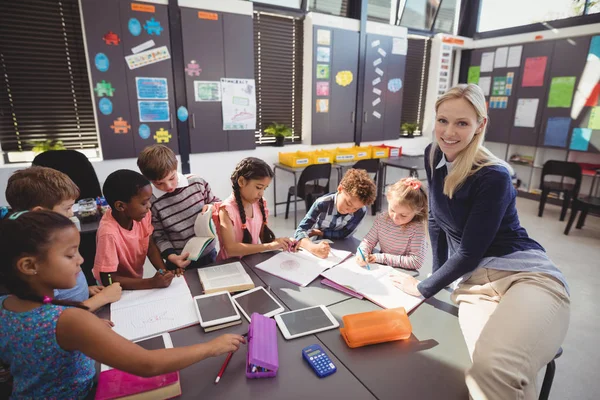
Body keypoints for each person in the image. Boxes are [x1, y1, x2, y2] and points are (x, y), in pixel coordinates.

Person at [390, 84, 570, 400]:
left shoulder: (493, 175)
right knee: (492, 373)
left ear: (480, 125)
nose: (448, 132)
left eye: (462, 123)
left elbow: (471, 251)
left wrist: (423, 287)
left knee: (494, 369)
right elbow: (436, 220)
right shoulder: (434, 154)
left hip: (526, 275)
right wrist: (438, 276)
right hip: (473, 285)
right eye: (443, 120)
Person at [0, 211, 245, 398]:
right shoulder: (68, 321)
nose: (81, 260)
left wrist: (86, 330)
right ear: (29, 266)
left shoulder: (6, 304)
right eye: (69, 254)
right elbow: (147, 364)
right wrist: (211, 347)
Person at [5, 166, 121, 311]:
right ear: (40, 213)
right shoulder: (40, 254)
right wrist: (103, 298)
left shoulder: (52, 242)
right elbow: (50, 305)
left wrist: (85, 290)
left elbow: (60, 294)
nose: (71, 213)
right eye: (67, 208)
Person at [138, 145, 221, 275]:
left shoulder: (197, 182)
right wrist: (171, 257)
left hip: (208, 252)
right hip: (178, 261)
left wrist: (212, 207)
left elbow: (216, 202)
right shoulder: (151, 201)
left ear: (176, 166)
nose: (169, 186)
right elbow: (158, 236)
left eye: (172, 178)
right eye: (159, 183)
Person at [93, 170, 174, 290]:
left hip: (136, 283)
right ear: (120, 206)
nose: (149, 206)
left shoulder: (144, 215)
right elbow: (108, 279)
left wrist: (164, 272)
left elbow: (150, 247)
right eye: (144, 203)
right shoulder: (108, 233)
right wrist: (151, 283)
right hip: (114, 290)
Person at [217, 157, 293, 260]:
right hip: (230, 266)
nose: (261, 193)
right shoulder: (227, 210)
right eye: (258, 187)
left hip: (250, 262)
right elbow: (231, 248)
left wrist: (280, 242)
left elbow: (264, 239)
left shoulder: (260, 204)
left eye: (264, 188)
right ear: (241, 181)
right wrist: (270, 246)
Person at [294, 168, 376, 258]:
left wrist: (320, 232)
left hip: (343, 244)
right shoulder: (322, 204)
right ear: (340, 188)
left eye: (355, 208)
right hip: (319, 243)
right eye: (348, 203)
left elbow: (345, 234)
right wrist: (313, 248)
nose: (349, 210)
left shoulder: (361, 211)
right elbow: (300, 231)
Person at [356, 177, 428, 270]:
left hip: (403, 273)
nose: (395, 217)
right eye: (392, 210)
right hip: (382, 268)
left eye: (403, 215)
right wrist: (362, 252)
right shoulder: (382, 219)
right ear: (388, 199)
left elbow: (416, 261)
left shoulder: (417, 229)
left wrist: (381, 258)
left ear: (418, 210)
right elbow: (369, 241)